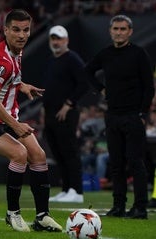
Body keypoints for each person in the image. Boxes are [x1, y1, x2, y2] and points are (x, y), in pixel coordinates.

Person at [0, 9, 62, 232]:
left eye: (26, 30)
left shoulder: (15, 52)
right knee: (19, 153)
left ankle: (42, 216)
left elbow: (9, 80)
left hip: (3, 118)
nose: (21, 35)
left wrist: (23, 86)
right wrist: (16, 125)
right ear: (5, 30)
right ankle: (12, 214)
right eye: (16, 30)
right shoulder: (3, 60)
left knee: (38, 155)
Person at [85, 15, 155, 219]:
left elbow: (149, 87)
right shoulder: (105, 54)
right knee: (116, 164)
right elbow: (88, 71)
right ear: (110, 31)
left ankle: (140, 207)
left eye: (123, 29)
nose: (119, 32)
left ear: (130, 31)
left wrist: (142, 113)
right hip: (112, 115)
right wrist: (100, 89)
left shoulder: (139, 54)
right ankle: (118, 206)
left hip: (133, 115)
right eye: (116, 28)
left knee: (136, 162)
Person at [41, 25, 89, 203]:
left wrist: (69, 104)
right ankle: (66, 188)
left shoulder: (72, 59)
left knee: (69, 151)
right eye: (53, 39)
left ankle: (76, 191)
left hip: (66, 113)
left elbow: (84, 83)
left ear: (66, 40)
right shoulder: (51, 60)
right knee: (58, 152)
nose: (56, 42)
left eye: (59, 39)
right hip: (51, 113)